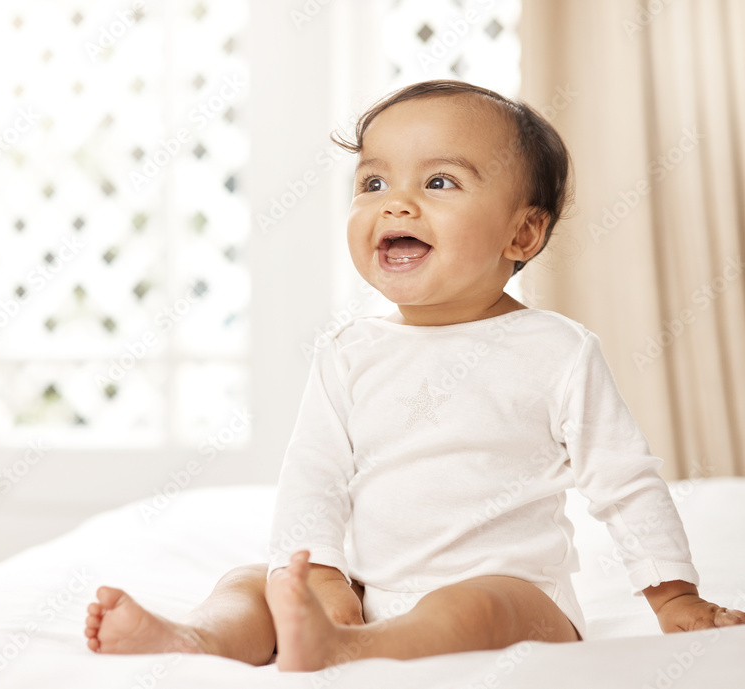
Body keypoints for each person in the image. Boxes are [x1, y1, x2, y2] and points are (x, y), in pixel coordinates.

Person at [84, 80, 745, 672]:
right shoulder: (348, 352)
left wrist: (673, 592)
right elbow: (314, 475)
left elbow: (623, 480)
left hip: (521, 597)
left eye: (438, 182)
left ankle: (348, 650)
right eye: (373, 183)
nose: (395, 204)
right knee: (249, 581)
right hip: (370, 595)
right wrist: (321, 573)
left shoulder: (556, 350)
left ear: (522, 233)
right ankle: (196, 637)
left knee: (478, 602)